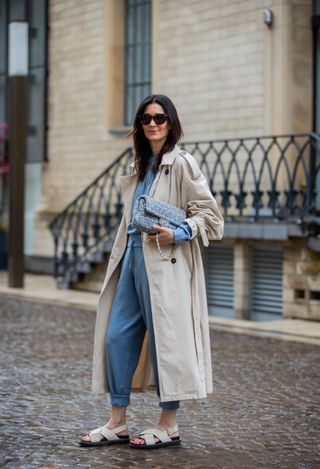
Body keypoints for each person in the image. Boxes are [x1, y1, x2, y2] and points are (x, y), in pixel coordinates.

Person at [79, 94, 224, 449]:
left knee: (166, 342)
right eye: (146, 119)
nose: (153, 124)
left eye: (160, 118)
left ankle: (168, 424)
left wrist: (179, 231)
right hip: (130, 257)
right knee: (116, 337)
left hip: (164, 261)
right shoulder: (139, 164)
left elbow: (212, 217)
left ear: (171, 123)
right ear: (139, 125)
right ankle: (117, 422)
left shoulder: (183, 164)